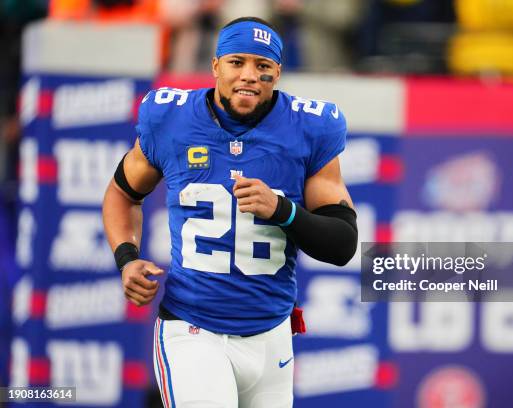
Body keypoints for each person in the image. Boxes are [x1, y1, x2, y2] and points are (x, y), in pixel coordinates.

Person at [102, 16, 358, 407]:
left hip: (272, 336)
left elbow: (342, 244)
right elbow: (122, 194)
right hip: (193, 329)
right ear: (216, 65)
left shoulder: (310, 128)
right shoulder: (171, 119)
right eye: (237, 62)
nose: (249, 76)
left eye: (263, 66)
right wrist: (126, 257)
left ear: (278, 73)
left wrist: (284, 211)